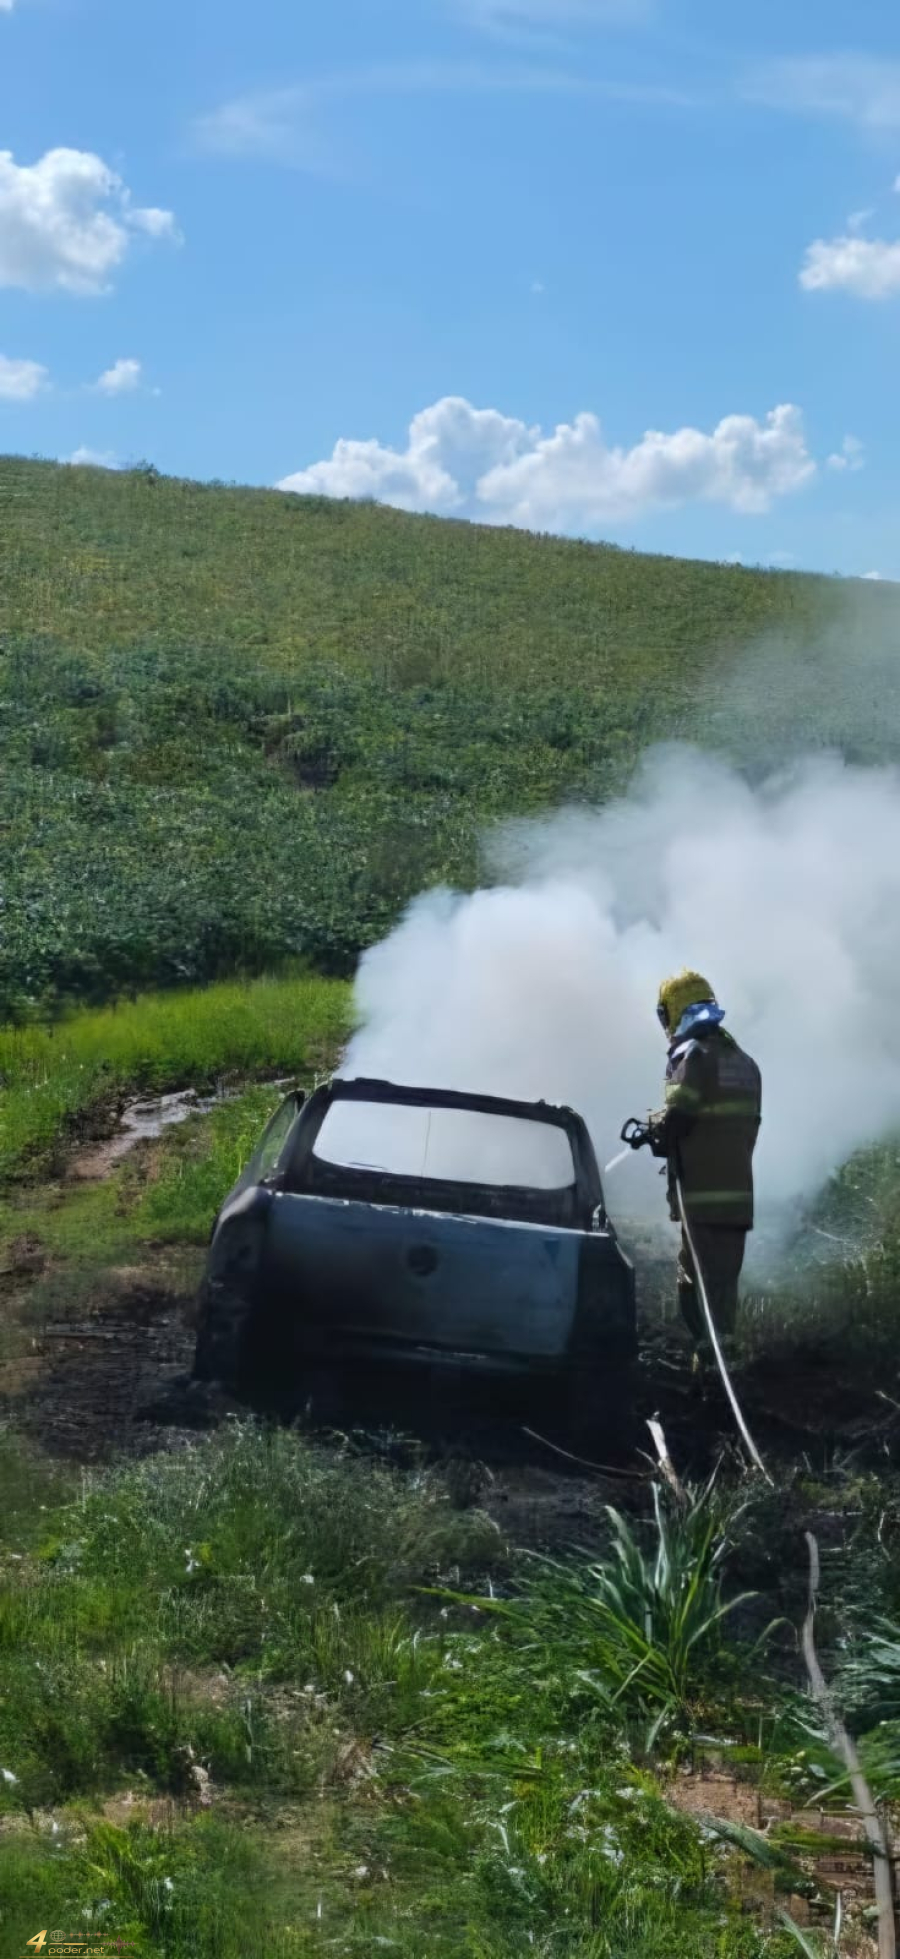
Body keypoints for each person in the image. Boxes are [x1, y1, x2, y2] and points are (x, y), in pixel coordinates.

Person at [647, 970, 761, 1353]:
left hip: (699, 1196)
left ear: (673, 1011)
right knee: (722, 1287)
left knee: (694, 1286)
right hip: (737, 1197)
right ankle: (720, 1357)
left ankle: (710, 1365)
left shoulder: (693, 1056)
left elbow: (678, 1119)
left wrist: (653, 1130)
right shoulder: (744, 1062)